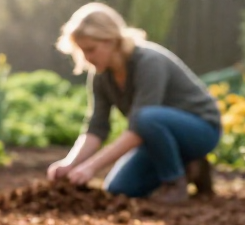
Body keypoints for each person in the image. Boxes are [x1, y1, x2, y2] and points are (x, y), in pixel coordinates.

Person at [47, 3, 222, 203]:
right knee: (119, 188)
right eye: (82, 51)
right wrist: (70, 164)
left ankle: (174, 182)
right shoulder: (101, 76)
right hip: (158, 137)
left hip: (202, 130)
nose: (87, 58)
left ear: (111, 40)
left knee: (145, 117)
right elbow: (96, 128)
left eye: (91, 50)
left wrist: (91, 167)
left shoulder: (149, 62)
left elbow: (139, 126)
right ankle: (192, 166)